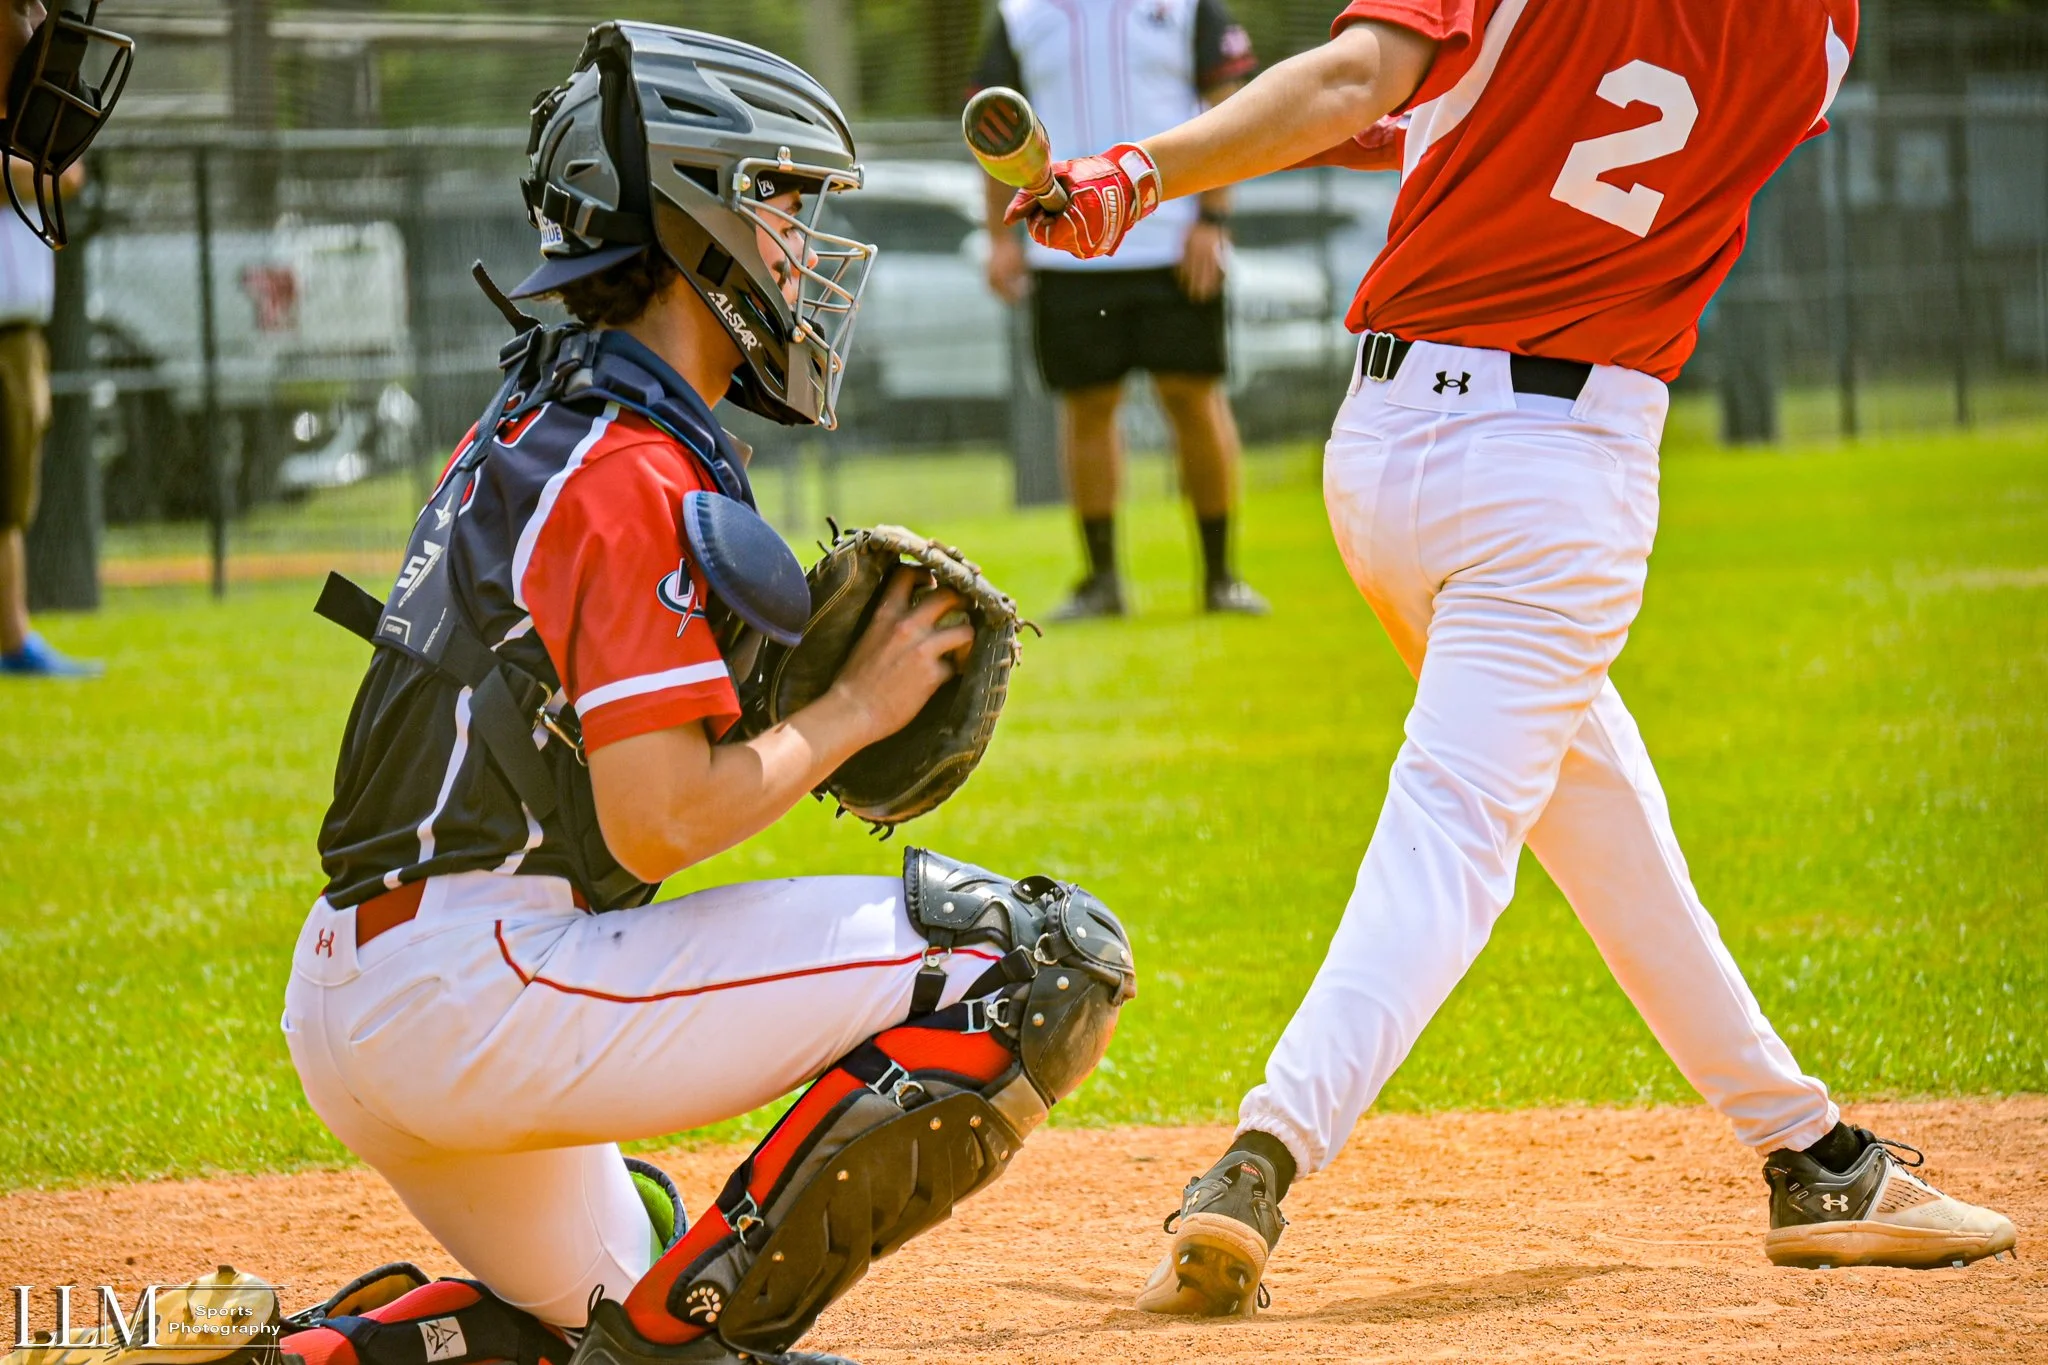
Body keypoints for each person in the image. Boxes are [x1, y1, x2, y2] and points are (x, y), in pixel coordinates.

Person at [1006, 0, 2017, 1315]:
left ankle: (1813, 1154)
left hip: (1384, 456)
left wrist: (1141, 169)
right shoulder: (1820, 28)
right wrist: (1345, 124)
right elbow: (1576, 134)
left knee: (1595, 811)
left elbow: (1373, 85)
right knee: (1459, 826)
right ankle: (1261, 1156)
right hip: (1559, 471)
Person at [284, 24, 1135, 1365]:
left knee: (619, 1288)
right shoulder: (631, 469)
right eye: (782, 208)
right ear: (699, 225)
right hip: (476, 983)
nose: (806, 251)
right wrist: (853, 708)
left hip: (367, 987)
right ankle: (694, 1350)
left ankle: (325, 1355)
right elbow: (658, 820)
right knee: (1028, 962)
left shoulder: (536, 422)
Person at [972, 0, 1269, 620]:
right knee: (1087, 406)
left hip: (1172, 242)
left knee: (1194, 397)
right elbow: (998, 129)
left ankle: (1222, 578)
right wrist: (999, 239)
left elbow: (1228, 107)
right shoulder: (1019, 14)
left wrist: (1214, 219)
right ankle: (1101, 582)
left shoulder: (1187, 7)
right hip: (1065, 246)